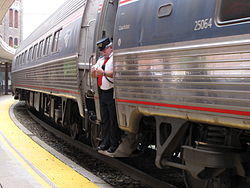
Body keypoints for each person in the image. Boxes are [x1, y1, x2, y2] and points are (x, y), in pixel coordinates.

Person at [91, 37, 121, 153]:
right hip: (103, 92)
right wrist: (94, 72)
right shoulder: (101, 59)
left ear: (110, 47)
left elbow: (115, 73)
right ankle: (105, 142)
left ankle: (114, 144)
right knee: (105, 119)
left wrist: (102, 72)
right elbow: (94, 74)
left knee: (113, 120)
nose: (103, 52)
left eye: (104, 50)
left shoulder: (114, 59)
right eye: (102, 51)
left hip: (111, 92)